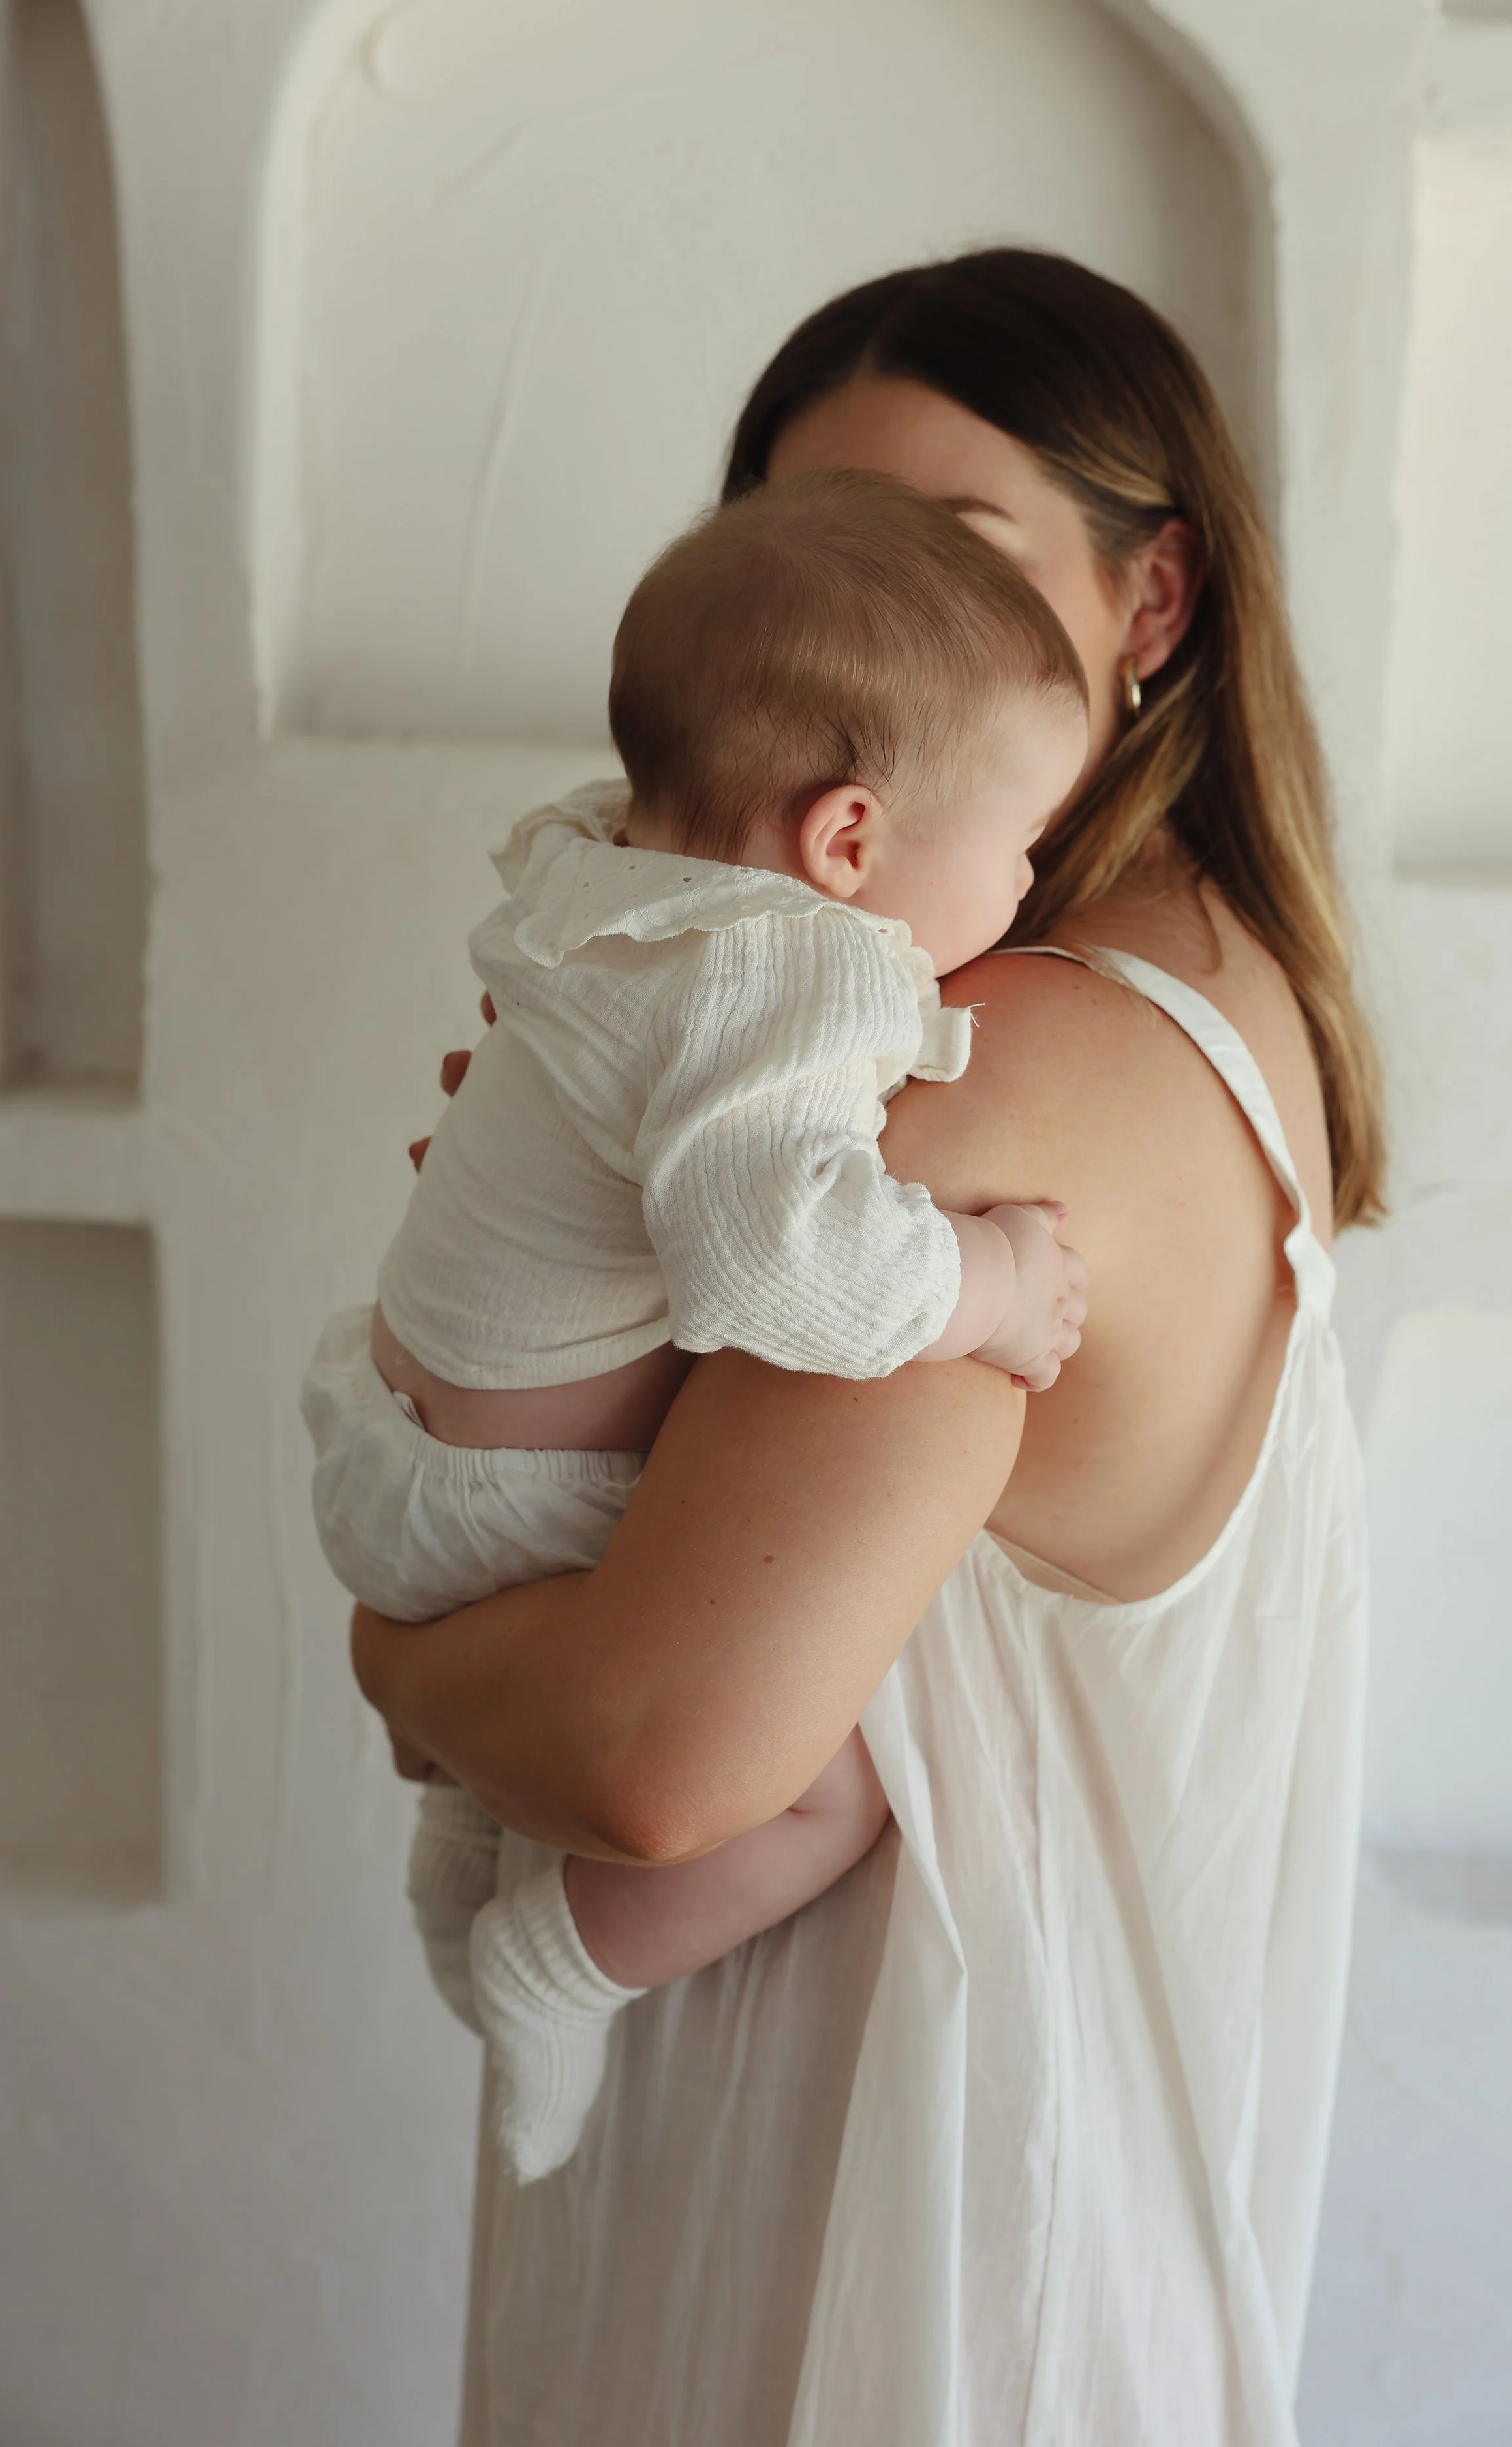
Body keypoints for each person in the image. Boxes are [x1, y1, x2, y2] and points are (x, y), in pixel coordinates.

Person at [352, 248, 1379, 2447]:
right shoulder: (1192, 981)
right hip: (939, 2178)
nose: (875, 628)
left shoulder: (987, 1058)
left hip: (889, 2244)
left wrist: (395, 1652)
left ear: (1152, 597)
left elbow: (654, 1753)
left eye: (959, 547)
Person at [303, 470, 1090, 2183]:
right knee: (832, 1791)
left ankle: (459, 1877)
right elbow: (783, 1271)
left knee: (487, 1765)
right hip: (520, 1507)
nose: (1034, 880)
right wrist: (993, 1282)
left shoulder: (606, 861)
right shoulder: (787, 976)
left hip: (399, 1441)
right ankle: (559, 1957)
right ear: (848, 844)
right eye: (1024, 840)